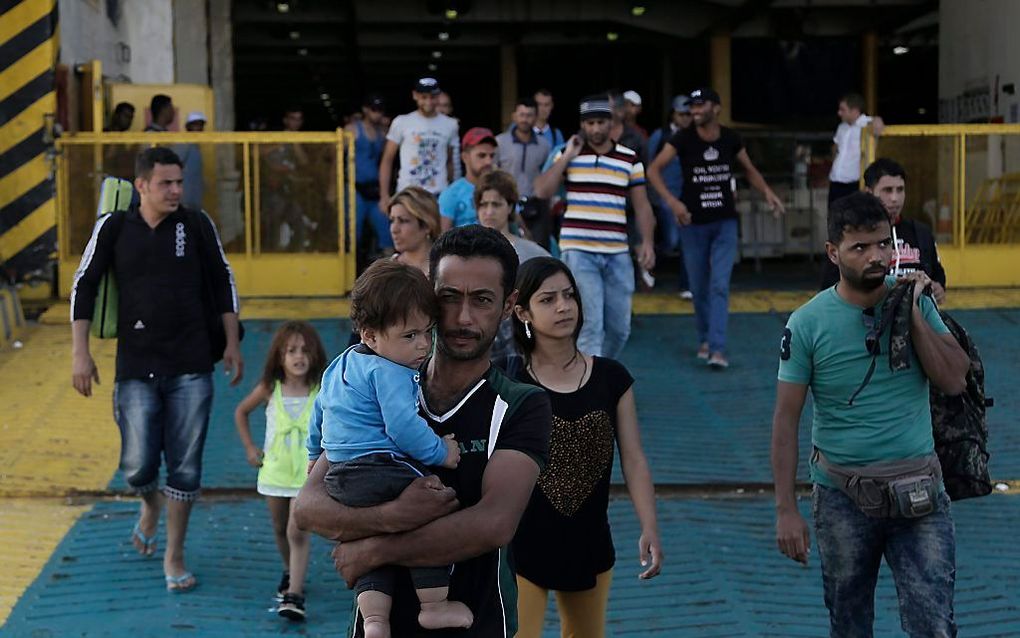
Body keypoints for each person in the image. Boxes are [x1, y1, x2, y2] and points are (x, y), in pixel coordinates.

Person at [294, 225, 553, 638]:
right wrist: (393, 515)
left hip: (476, 627)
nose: (463, 317)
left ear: (508, 306)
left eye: (482, 300)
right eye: (449, 297)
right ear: (430, 295)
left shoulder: (522, 405)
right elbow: (308, 508)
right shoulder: (374, 387)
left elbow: (493, 524)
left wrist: (372, 547)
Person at [772, 192, 969, 637]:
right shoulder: (806, 323)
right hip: (842, 497)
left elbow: (955, 379)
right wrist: (786, 509)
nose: (875, 256)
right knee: (849, 624)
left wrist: (913, 312)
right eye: (860, 248)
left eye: (883, 244)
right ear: (833, 253)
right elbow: (786, 420)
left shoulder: (914, 302)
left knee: (933, 626)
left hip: (919, 494)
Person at [70, 146, 242, 592]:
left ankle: (175, 553)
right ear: (141, 185)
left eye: (179, 183)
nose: (175, 191)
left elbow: (223, 279)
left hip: (190, 365)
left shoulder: (196, 224)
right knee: (137, 466)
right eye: (166, 183)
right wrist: (80, 352)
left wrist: (231, 342)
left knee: (184, 468)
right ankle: (149, 505)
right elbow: (84, 283)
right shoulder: (114, 226)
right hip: (135, 366)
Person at [307, 260, 472, 636]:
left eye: (427, 333)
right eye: (409, 335)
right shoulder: (391, 372)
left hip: (342, 478)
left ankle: (376, 621)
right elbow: (402, 427)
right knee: (431, 513)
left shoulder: (339, 365)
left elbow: (317, 414)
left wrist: (313, 457)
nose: (422, 345)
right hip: (382, 467)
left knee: (367, 539)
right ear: (370, 335)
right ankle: (433, 605)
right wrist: (440, 451)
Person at [510, 257, 663, 638]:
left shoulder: (612, 378)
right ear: (522, 312)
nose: (563, 307)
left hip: (588, 543)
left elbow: (633, 458)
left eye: (569, 296)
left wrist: (650, 526)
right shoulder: (507, 380)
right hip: (517, 546)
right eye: (547, 300)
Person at [647, 87, 785, 369]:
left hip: (725, 222)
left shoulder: (730, 138)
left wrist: (767, 192)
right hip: (692, 223)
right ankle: (705, 339)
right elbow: (652, 170)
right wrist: (673, 203)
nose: (695, 111)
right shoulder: (682, 138)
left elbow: (748, 168)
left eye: (700, 106)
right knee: (698, 287)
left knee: (720, 285)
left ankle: (718, 348)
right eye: (692, 107)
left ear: (716, 108)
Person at [533, 94, 656, 359]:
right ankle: (593, 388)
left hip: (617, 252)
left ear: (611, 123)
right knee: (591, 326)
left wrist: (647, 242)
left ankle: (599, 374)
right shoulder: (570, 154)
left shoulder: (629, 158)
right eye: (590, 123)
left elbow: (643, 205)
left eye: (601, 122)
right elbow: (542, 190)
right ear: (582, 125)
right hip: (579, 250)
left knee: (620, 329)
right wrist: (567, 156)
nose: (596, 128)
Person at [234, 321, 326, 621]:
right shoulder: (269, 388)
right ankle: (290, 570)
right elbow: (241, 412)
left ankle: (295, 595)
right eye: (291, 351)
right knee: (279, 528)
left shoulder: (321, 390)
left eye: (305, 351)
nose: (299, 357)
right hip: (274, 474)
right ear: (279, 356)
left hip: (307, 477)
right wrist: (250, 448)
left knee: (295, 531)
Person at [820, 158, 947, 303]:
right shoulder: (851, 235)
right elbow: (830, 287)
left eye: (900, 190)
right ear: (869, 192)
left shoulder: (921, 232)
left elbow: (937, 273)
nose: (895, 198)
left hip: (914, 319)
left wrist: (938, 287)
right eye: (887, 190)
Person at [475, 170, 550, 376]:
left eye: (496, 204)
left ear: (510, 207)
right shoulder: (465, 252)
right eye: (483, 204)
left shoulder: (533, 253)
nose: (488, 211)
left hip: (523, 349)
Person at [379, 78, 460, 211]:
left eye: (432, 97)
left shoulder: (450, 125)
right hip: (408, 193)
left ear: (438, 97)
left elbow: (450, 162)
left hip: (439, 194)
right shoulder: (402, 122)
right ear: (415, 95)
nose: (428, 102)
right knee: (406, 231)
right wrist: (384, 195)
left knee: (439, 232)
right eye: (424, 97)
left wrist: (453, 193)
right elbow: (387, 160)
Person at [647, 95, 694, 299]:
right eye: (682, 114)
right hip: (665, 199)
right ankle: (649, 258)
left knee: (687, 242)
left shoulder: (695, 136)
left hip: (688, 198)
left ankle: (686, 285)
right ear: (673, 114)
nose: (686, 118)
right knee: (671, 241)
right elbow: (649, 166)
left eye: (688, 114)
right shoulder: (660, 136)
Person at [495, 98, 552, 246]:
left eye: (529, 115)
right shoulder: (500, 142)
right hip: (507, 203)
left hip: (535, 205)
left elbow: (547, 177)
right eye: (521, 115)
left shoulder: (544, 145)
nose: (525, 119)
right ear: (514, 116)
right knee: (505, 247)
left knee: (537, 248)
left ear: (535, 117)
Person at [346, 94, 394, 256]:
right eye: (374, 109)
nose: (377, 114)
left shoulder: (384, 133)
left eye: (380, 110)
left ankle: (390, 272)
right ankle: (350, 273)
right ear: (365, 110)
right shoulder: (352, 130)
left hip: (375, 189)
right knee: (353, 232)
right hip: (355, 187)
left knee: (387, 231)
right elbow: (335, 158)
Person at [828, 92, 884, 206]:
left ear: (855, 111)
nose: (839, 113)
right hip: (835, 182)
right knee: (834, 219)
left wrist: (877, 120)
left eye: (843, 110)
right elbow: (836, 147)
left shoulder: (867, 124)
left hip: (853, 184)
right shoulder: (841, 127)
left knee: (853, 219)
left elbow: (878, 123)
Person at [438, 127, 498, 231]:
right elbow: (442, 241)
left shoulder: (501, 188)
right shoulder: (451, 194)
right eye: (482, 155)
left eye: (491, 156)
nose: (488, 161)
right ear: (465, 157)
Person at [389, 186, 442, 275]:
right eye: (392, 220)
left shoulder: (445, 270)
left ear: (427, 226)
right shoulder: (388, 271)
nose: (394, 229)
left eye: (403, 221)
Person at [175, 111, 206, 210]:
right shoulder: (183, 144)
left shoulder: (196, 147)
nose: (199, 128)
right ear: (188, 126)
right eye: (195, 125)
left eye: (201, 125)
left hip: (195, 198)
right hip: (185, 199)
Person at [436, 90, 462, 181]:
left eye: (445, 106)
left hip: (455, 181)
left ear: (450, 109)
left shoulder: (455, 128)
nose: (441, 110)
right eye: (438, 105)